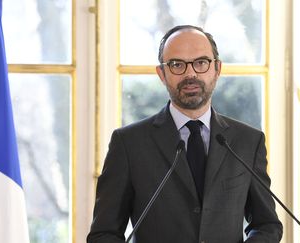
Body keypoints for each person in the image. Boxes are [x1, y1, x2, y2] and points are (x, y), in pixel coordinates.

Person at [87, 25, 283, 243]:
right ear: (161, 73)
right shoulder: (128, 144)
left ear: (217, 69)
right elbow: (103, 234)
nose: (190, 74)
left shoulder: (248, 141)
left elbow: (267, 225)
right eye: (177, 64)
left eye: (201, 63)